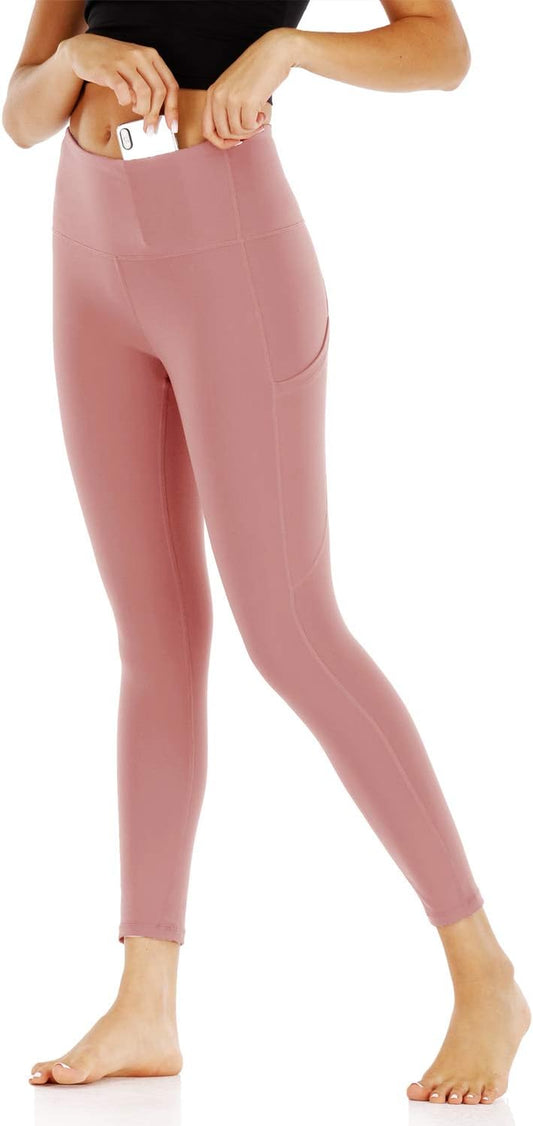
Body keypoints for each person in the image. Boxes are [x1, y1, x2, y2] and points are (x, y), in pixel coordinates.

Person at [2, 0, 530, 1103]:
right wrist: (77, 56)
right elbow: (23, 113)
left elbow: (442, 50)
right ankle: (145, 1002)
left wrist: (291, 50)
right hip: (86, 248)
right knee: (152, 643)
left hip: (227, 253)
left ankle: (483, 975)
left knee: (290, 631)